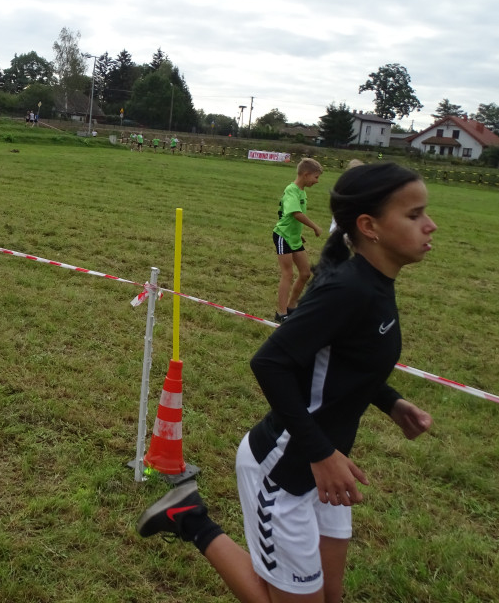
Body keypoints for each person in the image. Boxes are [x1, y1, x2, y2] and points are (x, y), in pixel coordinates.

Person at [137, 162, 436, 603]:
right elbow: (270, 362)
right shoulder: (349, 290)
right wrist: (321, 453)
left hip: (323, 471)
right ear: (369, 226)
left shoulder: (374, 285)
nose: (430, 225)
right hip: (283, 469)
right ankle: (190, 518)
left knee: (328, 597)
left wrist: (391, 402)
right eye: (414, 215)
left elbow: (343, 362)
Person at [273, 157, 323, 323]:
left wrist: (298, 233)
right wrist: (315, 227)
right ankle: (281, 313)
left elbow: (287, 215)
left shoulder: (302, 192)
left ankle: (291, 306)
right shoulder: (291, 190)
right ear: (306, 175)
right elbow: (296, 213)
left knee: (305, 273)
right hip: (283, 236)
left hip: (293, 237)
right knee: (288, 274)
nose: (317, 181)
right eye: (316, 177)